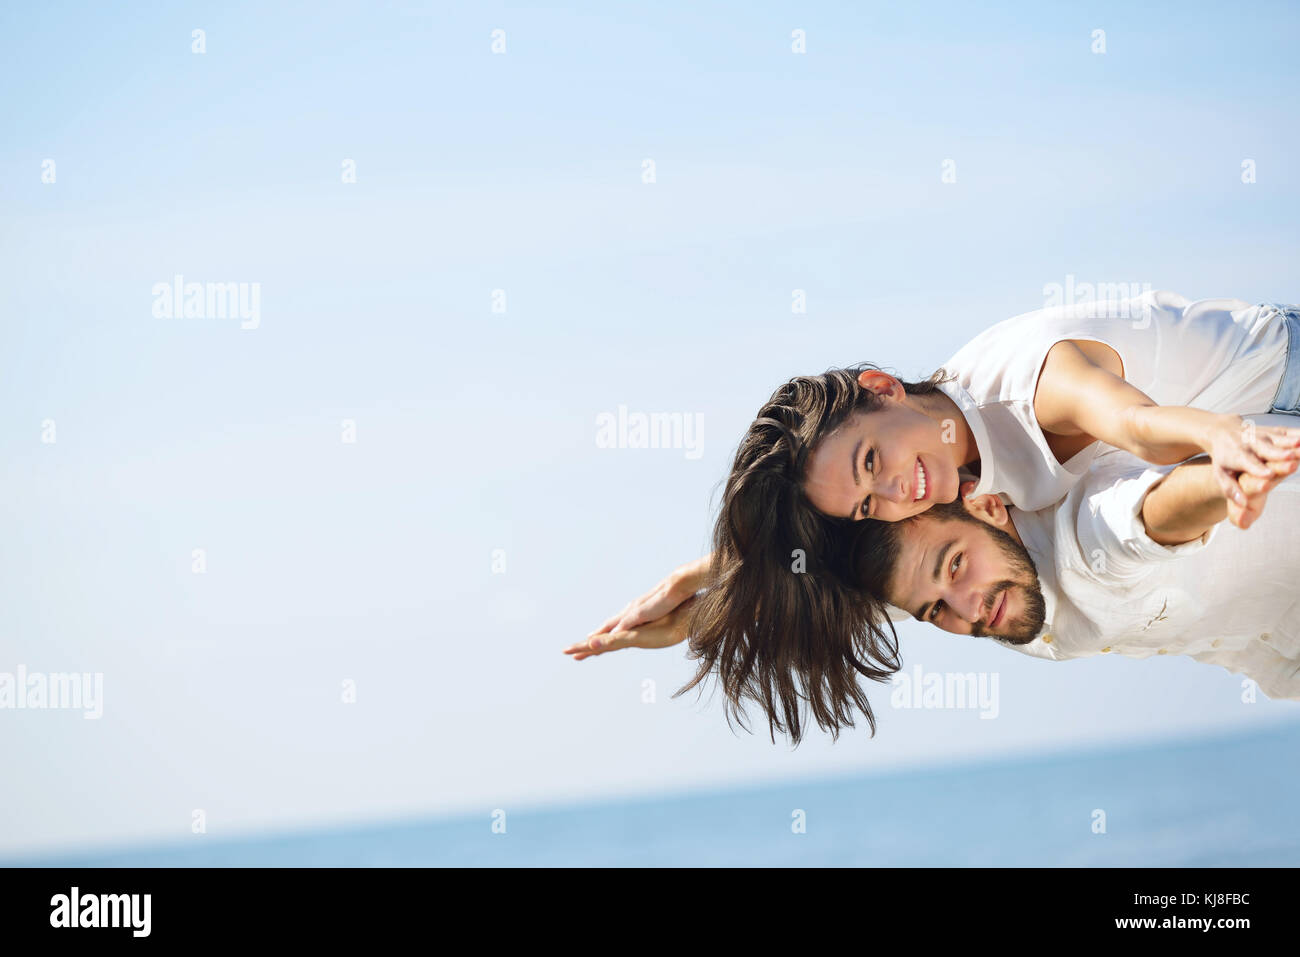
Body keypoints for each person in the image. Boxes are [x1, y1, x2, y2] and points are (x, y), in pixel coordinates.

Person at [578, 294, 1300, 742]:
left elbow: (1137, 424)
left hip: (1272, 383)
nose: (896, 493)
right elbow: (835, 558)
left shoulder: (1019, 387)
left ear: (884, 387)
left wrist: (1217, 436)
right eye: (868, 503)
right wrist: (709, 588)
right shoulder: (942, 509)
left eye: (870, 463)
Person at [566, 417, 1300, 704]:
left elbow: (1153, 512)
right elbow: (804, 571)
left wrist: (1226, 478)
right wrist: (695, 601)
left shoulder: (1082, 532)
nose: (965, 611)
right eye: (932, 611)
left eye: (954, 570)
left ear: (984, 504)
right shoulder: (929, 578)